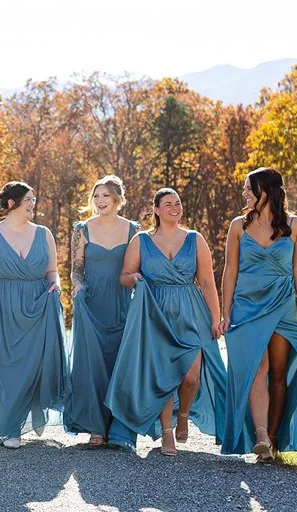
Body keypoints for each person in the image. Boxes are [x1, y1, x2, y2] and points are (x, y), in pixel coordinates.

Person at [113, 188, 226, 456]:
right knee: (163, 377)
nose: (175, 208)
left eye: (178, 203)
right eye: (168, 204)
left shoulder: (195, 240)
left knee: (190, 377)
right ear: (156, 209)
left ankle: (183, 415)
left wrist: (215, 317)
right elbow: (124, 276)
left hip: (191, 313)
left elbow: (208, 282)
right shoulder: (141, 240)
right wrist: (135, 279)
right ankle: (166, 433)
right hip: (156, 314)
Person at [220, 168, 297, 462]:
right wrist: (225, 313)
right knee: (255, 368)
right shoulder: (238, 226)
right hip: (247, 306)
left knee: (278, 372)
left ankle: (272, 442)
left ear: (267, 191)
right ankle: (260, 434)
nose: (245, 194)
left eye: (249, 189)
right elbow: (230, 271)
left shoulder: (295, 225)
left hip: (282, 304)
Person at [0, 181, 68, 449]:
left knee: (33, 368)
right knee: (3, 369)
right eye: (28, 200)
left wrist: (55, 282)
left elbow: (51, 270)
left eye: (34, 200)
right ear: (11, 203)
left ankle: (16, 428)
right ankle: (7, 426)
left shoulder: (44, 234)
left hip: (37, 309)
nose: (32, 205)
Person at [64, 175, 138, 446]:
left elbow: (134, 268)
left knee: (119, 363)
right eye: (96, 196)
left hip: (121, 304)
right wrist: (79, 288)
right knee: (91, 365)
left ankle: (119, 429)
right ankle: (95, 426)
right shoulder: (82, 229)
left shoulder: (133, 230)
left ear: (117, 198)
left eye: (105, 195)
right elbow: (76, 270)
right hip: (91, 302)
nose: (100, 201)